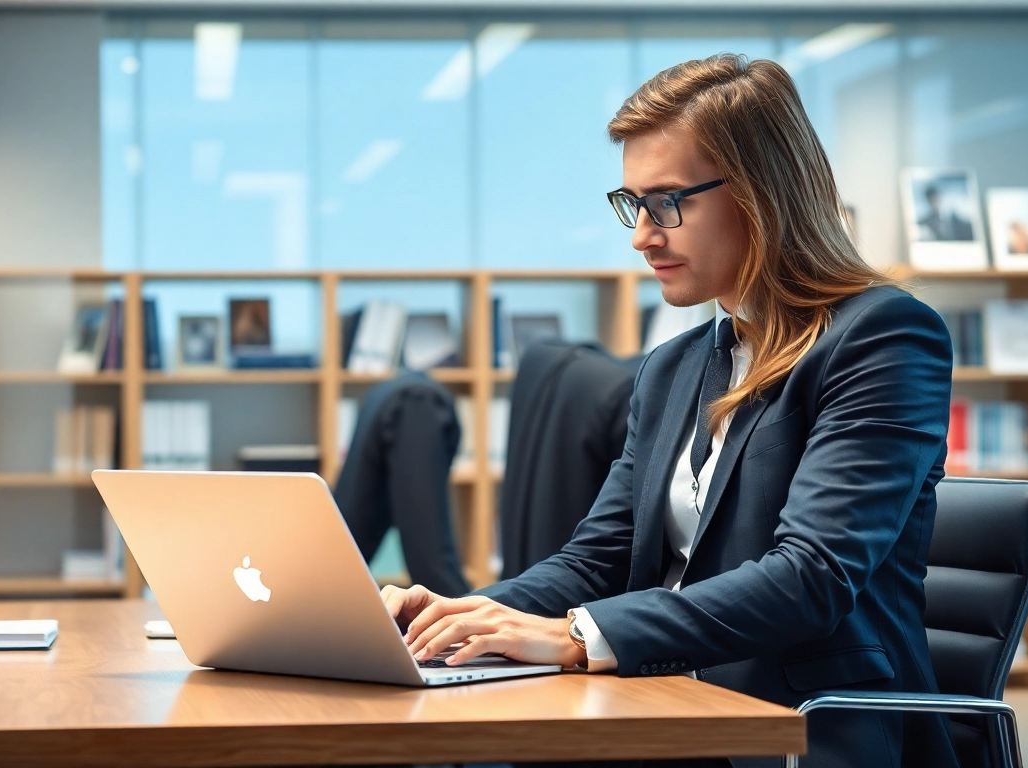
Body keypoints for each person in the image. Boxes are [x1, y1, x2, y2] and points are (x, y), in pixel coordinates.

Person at [383, 53, 957, 768]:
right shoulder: (674, 368)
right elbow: (600, 557)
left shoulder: (883, 337)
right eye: (633, 204)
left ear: (760, 193)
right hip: (667, 708)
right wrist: (455, 619)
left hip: (800, 729)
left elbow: (811, 576)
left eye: (667, 203)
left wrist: (576, 636)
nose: (642, 236)